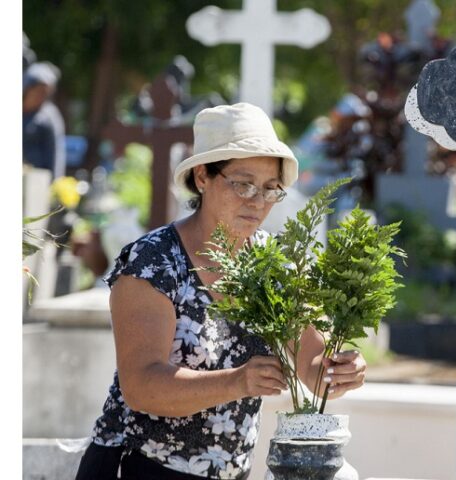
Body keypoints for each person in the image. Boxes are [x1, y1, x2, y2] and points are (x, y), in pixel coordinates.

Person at [75, 103, 368, 479]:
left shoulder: (273, 263)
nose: (257, 201)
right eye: (243, 184)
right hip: (138, 467)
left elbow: (312, 366)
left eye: (269, 189)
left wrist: (341, 370)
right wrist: (238, 381)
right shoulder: (153, 261)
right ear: (202, 177)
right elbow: (142, 386)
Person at [23, 61, 66, 179]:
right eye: (39, 91)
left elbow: (56, 152)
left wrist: (55, 183)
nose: (41, 96)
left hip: (38, 180)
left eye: (45, 93)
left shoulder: (48, 116)